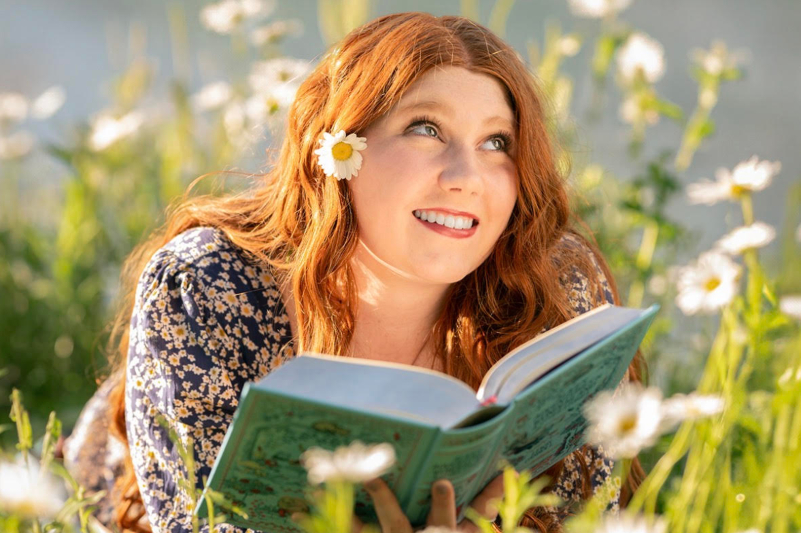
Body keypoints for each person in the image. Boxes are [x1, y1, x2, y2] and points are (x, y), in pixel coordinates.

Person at [63, 11, 646, 533]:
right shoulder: (207, 284)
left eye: (497, 141)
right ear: (340, 150)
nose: (466, 175)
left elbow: (592, 514)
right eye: (426, 128)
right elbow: (197, 521)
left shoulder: (558, 284)